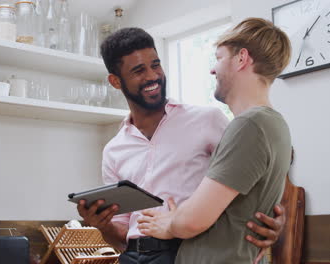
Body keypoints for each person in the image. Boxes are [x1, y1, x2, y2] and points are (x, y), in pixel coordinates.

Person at [77, 26, 285, 264]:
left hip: (187, 251)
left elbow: (253, 170)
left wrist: (275, 218)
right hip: (132, 256)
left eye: (155, 65)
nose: (152, 76)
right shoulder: (114, 150)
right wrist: (102, 226)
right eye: (138, 70)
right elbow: (121, 236)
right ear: (115, 81)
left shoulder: (208, 120)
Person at [137, 18, 292, 264]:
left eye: (219, 58)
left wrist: (171, 224)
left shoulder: (249, 125)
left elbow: (191, 222)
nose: (213, 69)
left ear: (241, 58)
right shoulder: (272, 125)